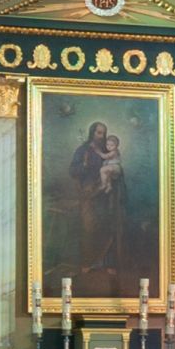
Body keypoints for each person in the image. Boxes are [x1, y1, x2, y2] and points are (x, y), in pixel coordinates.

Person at [65, 115, 134, 286]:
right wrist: (84, 166)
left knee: (108, 226)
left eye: (104, 133)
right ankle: (88, 262)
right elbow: (73, 170)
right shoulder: (83, 150)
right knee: (89, 227)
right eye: (98, 133)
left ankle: (108, 263)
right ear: (92, 133)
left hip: (106, 194)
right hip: (89, 193)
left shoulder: (108, 149)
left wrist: (115, 174)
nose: (101, 136)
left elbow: (117, 168)